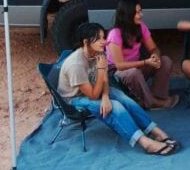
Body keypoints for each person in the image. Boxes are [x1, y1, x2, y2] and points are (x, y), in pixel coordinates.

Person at [58, 21, 180, 155]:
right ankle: (146, 143)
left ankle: (156, 132)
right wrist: (101, 70)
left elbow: (105, 79)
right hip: (75, 99)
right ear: (86, 42)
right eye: (98, 39)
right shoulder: (76, 65)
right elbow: (93, 95)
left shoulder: (99, 53)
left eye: (103, 37)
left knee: (123, 98)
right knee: (115, 106)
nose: (104, 42)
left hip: (95, 89)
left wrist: (105, 97)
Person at [106, 0, 178, 109]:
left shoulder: (141, 27)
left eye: (141, 11)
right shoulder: (115, 34)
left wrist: (155, 56)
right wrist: (145, 62)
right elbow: (119, 65)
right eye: (137, 13)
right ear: (128, 15)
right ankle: (152, 102)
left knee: (165, 61)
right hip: (118, 73)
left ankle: (157, 96)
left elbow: (154, 48)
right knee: (134, 72)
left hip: (137, 67)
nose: (141, 15)